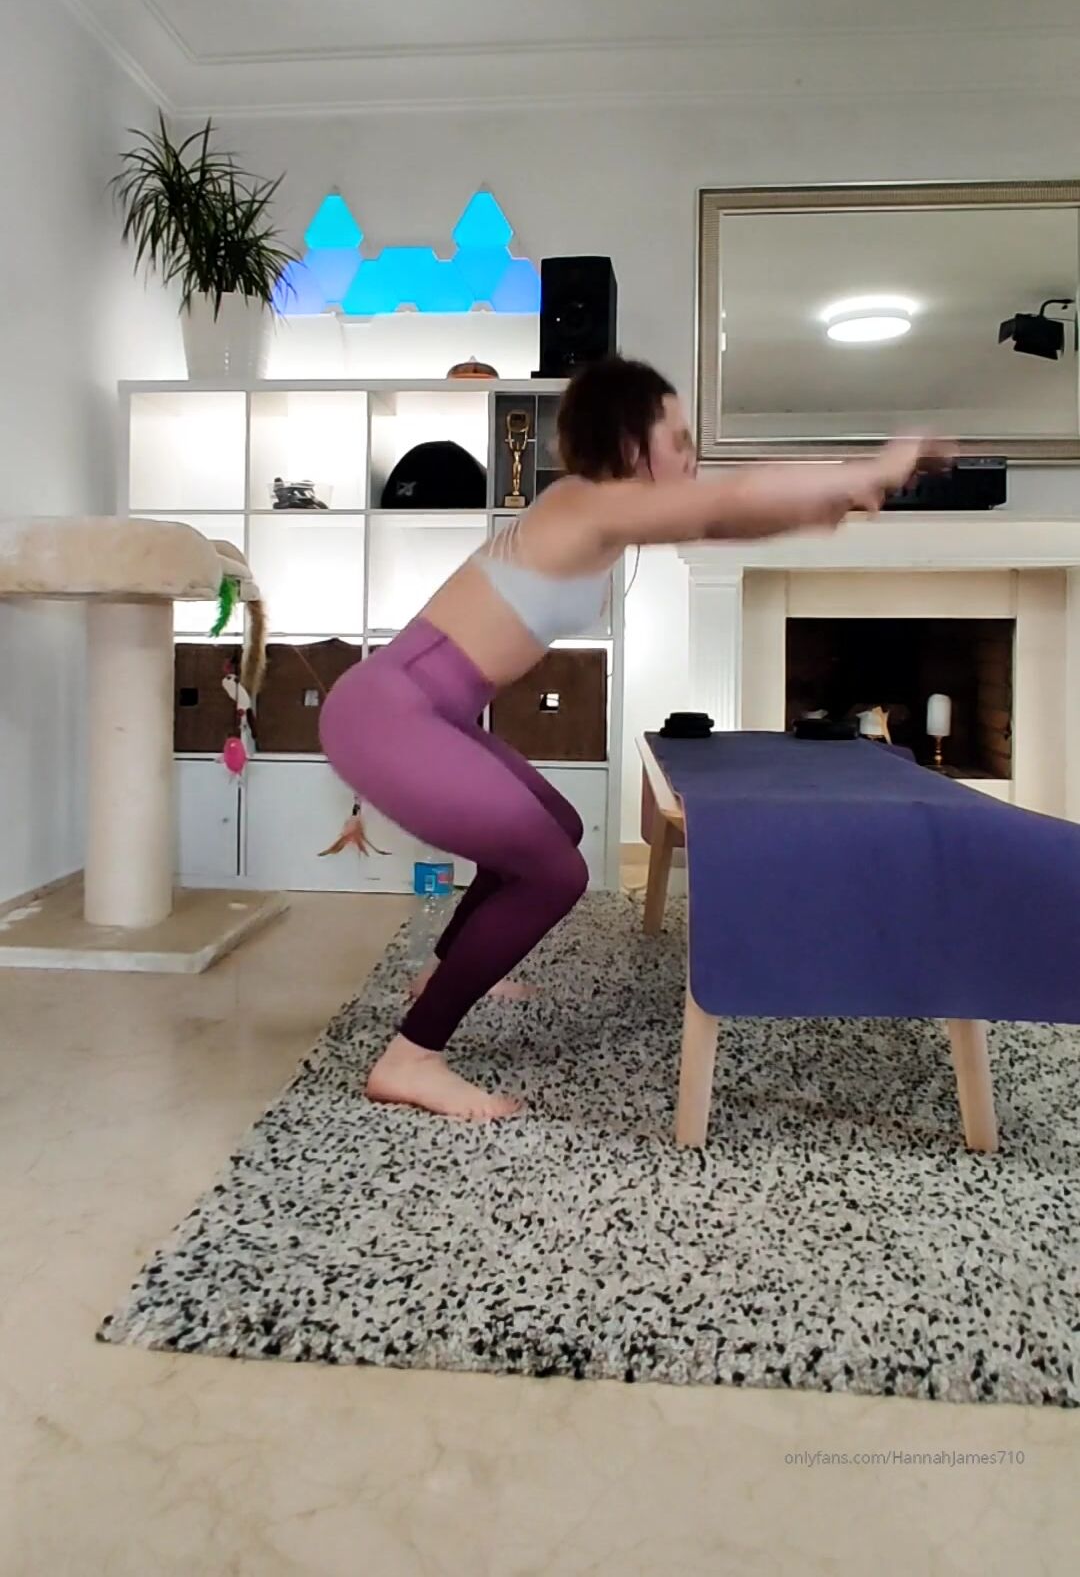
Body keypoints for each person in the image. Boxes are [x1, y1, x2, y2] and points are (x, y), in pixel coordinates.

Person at [319, 356, 943, 1122]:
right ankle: (412, 1057)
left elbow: (732, 512)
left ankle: (441, 972)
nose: (692, 457)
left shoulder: (596, 517)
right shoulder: (585, 504)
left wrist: (835, 500)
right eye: (678, 439)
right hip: (393, 710)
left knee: (556, 830)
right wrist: (870, 470)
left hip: (429, 709)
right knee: (554, 874)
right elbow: (728, 505)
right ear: (628, 443)